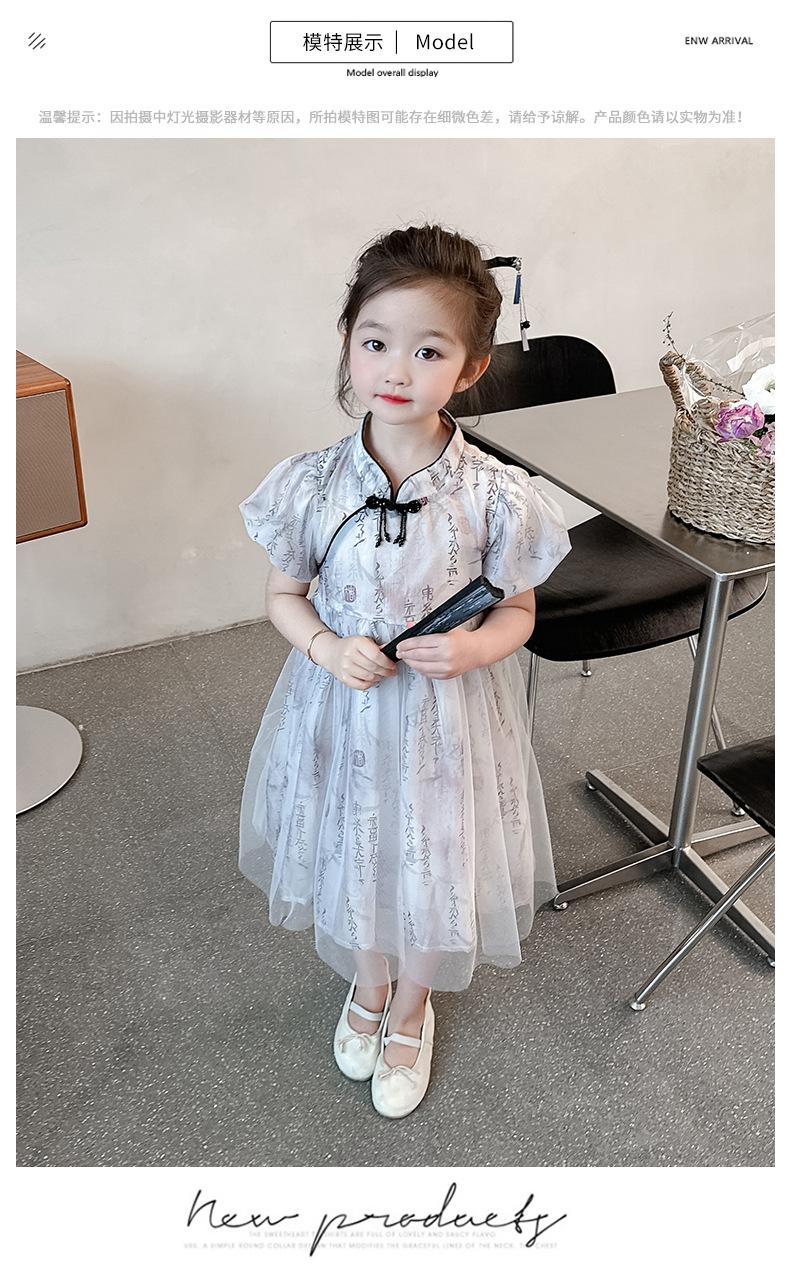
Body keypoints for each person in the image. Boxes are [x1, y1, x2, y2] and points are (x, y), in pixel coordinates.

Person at [238, 223, 571, 1119]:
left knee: (436, 854)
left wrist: (472, 647)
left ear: (469, 368)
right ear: (348, 342)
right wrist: (323, 645)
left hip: (444, 719)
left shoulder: (496, 496)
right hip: (341, 708)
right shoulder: (311, 484)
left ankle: (414, 1003)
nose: (396, 370)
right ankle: (370, 983)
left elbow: (518, 612)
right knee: (352, 842)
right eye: (375, 342)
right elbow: (285, 594)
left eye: (428, 351)